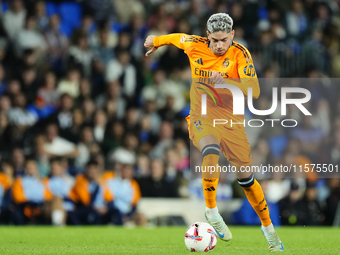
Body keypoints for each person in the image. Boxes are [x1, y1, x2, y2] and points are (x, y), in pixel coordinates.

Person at [144, 13, 284, 251]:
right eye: (215, 40)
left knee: (247, 181)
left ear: (232, 35)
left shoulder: (240, 53)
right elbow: (178, 38)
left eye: (224, 40)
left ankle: (268, 229)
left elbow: (255, 91)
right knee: (210, 150)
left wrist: (227, 83)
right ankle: (212, 211)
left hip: (232, 123)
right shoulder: (195, 46)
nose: (219, 45)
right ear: (207, 36)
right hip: (202, 116)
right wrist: (156, 40)